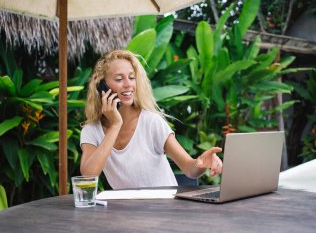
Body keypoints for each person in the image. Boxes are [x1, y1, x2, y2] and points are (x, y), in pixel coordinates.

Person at [80, 50, 222, 189]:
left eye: (131, 77)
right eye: (118, 79)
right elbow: (88, 176)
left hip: (165, 208)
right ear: (101, 86)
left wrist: (201, 163)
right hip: (125, 210)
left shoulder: (151, 122)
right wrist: (115, 125)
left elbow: (190, 170)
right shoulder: (91, 131)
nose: (128, 84)